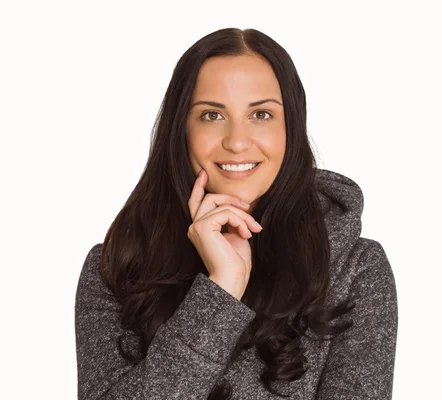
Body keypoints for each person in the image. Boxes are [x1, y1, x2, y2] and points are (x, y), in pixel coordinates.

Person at [75, 27, 398, 399]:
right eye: (212, 115)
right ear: (180, 129)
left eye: (261, 114)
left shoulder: (355, 267)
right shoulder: (117, 268)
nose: (237, 141)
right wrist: (221, 288)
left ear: (291, 128)